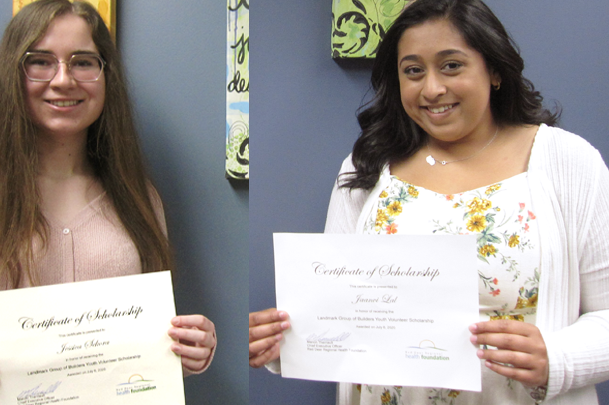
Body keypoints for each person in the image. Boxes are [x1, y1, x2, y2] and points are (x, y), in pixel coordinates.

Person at [250, 0, 609, 403]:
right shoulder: (367, 167)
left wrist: (558, 359)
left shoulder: (567, 162)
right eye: (413, 71)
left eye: (451, 65)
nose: (432, 88)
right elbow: (340, 312)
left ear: (493, 70)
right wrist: (287, 343)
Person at [0, 1, 216, 404]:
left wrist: (190, 347)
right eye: (40, 62)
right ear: (12, 72)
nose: (63, 80)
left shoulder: (138, 197)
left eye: (83, 62)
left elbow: (150, 342)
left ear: (105, 75)